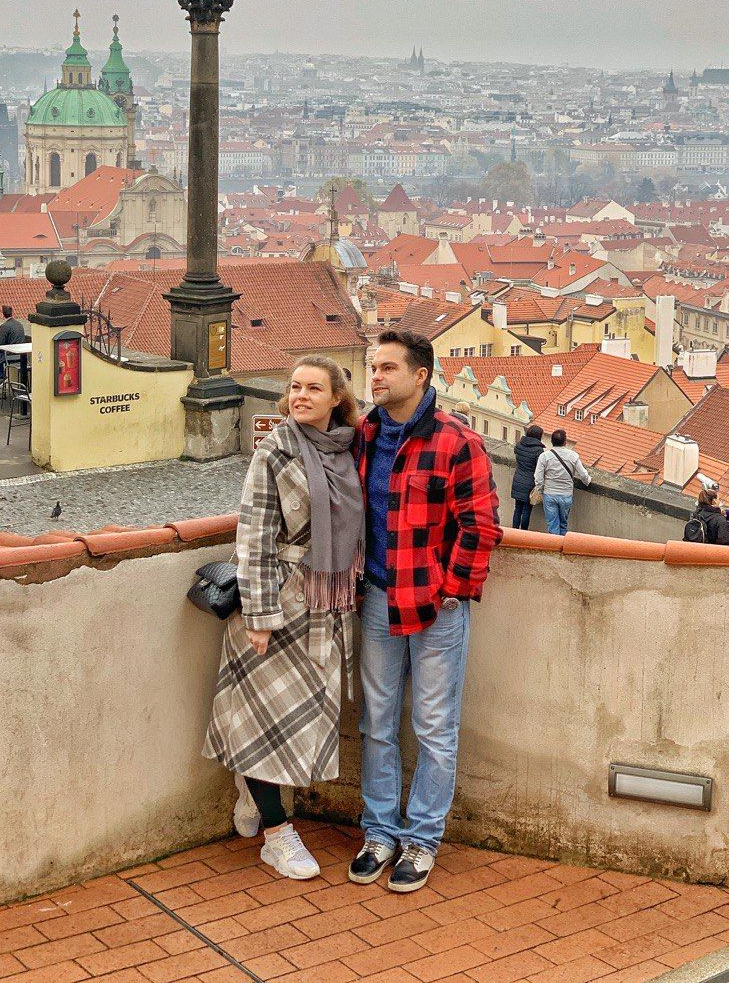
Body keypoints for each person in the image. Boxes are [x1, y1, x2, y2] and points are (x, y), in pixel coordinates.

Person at [350, 328, 501, 893]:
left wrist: (453, 590)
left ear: (420, 376)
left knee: (434, 727)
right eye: (374, 367)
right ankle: (379, 832)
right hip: (377, 598)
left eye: (388, 368)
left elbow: (481, 525)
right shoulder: (365, 434)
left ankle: (421, 839)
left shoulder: (458, 441)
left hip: (435, 605)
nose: (376, 376)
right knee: (377, 723)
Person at [204, 355, 363, 881]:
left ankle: (252, 793)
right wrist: (259, 614)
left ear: (337, 398)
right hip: (277, 601)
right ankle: (277, 835)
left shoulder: (349, 451)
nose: (301, 396)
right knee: (263, 720)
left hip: (326, 605)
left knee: (301, 721)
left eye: (314, 388)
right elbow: (253, 536)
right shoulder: (274, 450)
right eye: (295, 387)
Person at [534, 429, 590, 536]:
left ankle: (554, 544)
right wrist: (588, 481)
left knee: (552, 525)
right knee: (563, 524)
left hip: (549, 493)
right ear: (565, 442)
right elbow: (583, 474)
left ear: (551, 441)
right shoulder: (573, 456)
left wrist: (541, 490)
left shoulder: (544, 456)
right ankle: (562, 542)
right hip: (566, 494)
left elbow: (538, 477)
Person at [510, 424, 545, 529]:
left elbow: (516, 451)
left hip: (518, 479)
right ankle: (524, 532)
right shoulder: (538, 450)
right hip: (530, 482)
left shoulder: (519, 444)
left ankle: (514, 531)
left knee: (517, 508)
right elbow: (539, 467)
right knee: (527, 509)